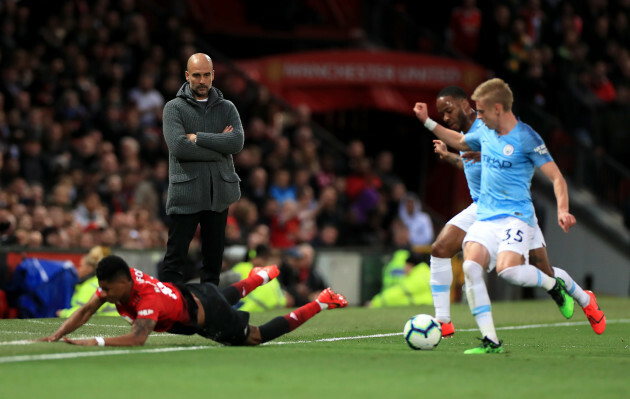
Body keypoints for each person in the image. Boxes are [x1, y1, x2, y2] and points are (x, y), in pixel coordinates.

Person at [413, 78, 605, 354]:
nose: (445, 117)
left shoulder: (509, 133)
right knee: (442, 249)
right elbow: (469, 160)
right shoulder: (478, 134)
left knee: (539, 270)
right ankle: (446, 322)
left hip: (516, 210)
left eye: (448, 111)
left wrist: (563, 210)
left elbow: (548, 173)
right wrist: (449, 154)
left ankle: (585, 300)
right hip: (484, 208)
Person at [37, 255, 347, 347]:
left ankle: (321, 301)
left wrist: (95, 342)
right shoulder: (118, 283)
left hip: (206, 314)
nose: (102, 293)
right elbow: (87, 309)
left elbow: (138, 338)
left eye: (106, 288)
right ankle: (259, 277)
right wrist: (58, 334)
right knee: (218, 297)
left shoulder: (148, 298)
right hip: (193, 295)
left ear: (123, 281)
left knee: (255, 336)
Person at [160, 53, 244, 285]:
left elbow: (237, 143)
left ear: (213, 75)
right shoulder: (173, 108)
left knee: (213, 262)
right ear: (187, 76)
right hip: (186, 193)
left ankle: (209, 313)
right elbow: (179, 147)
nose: (202, 80)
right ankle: (168, 312)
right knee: (175, 259)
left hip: (218, 192)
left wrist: (197, 138)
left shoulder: (227, 108)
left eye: (207, 75)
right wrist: (220, 148)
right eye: (196, 75)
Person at [57, 246, 119, 318]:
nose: (78, 269)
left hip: (105, 324)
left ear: (89, 269)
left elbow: (82, 313)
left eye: (81, 266)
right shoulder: (103, 281)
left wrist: (62, 313)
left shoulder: (89, 286)